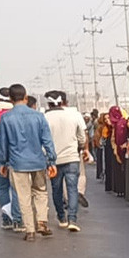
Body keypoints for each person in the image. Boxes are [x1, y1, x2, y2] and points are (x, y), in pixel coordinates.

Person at [0, 84, 57, 241]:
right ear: (25, 97)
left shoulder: (6, 118)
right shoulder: (38, 116)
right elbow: (47, 141)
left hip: (17, 163)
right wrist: (51, 161)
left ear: (10, 99)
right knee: (40, 191)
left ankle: (29, 230)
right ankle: (42, 221)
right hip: (38, 161)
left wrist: (3, 162)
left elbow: (2, 143)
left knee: (23, 196)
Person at [43, 90, 86, 232]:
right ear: (62, 102)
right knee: (72, 189)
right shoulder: (73, 115)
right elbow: (82, 137)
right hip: (72, 157)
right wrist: (79, 148)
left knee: (56, 189)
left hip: (53, 160)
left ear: (48, 103)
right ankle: (72, 219)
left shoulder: (44, 118)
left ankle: (61, 217)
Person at [0, 87, 21, 230]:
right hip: (15, 157)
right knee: (16, 188)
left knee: (2, 188)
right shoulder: (15, 115)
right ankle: (17, 220)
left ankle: (6, 220)